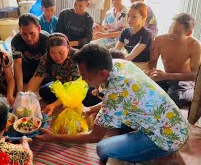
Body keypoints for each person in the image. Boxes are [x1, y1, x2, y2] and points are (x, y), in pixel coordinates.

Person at [36, 44, 189, 163]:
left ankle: (153, 154)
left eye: (84, 75)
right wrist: (90, 110)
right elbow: (117, 98)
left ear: (102, 73)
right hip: (175, 123)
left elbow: (94, 136)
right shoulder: (119, 63)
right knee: (113, 117)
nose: (82, 80)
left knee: (103, 149)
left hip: (167, 138)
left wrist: (54, 138)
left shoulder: (115, 95)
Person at [27, 33, 102, 115]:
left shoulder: (77, 58)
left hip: (79, 87)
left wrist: (54, 105)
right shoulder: (46, 58)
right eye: (53, 53)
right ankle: (64, 101)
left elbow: (73, 88)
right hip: (63, 85)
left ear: (68, 48)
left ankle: (65, 102)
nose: (57, 57)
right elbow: (37, 78)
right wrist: (27, 95)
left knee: (87, 100)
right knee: (43, 91)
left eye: (61, 52)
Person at [147, 13, 201, 107]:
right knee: (147, 94)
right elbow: (152, 63)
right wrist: (152, 73)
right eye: (170, 29)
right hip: (165, 78)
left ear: (188, 33)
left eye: (176, 32)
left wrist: (167, 75)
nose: (171, 34)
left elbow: (195, 74)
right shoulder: (159, 40)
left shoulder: (194, 46)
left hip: (184, 83)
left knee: (175, 100)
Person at [11, 13, 49, 92]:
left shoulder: (47, 40)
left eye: (32, 33)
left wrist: (35, 82)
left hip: (44, 68)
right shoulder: (16, 41)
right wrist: (20, 91)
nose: (28, 38)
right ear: (19, 30)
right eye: (24, 34)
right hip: (27, 67)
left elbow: (47, 65)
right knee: (15, 82)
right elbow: (17, 64)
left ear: (39, 29)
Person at [115, 2, 153, 71]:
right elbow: (116, 50)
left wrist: (116, 62)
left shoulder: (147, 34)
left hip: (141, 65)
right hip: (129, 61)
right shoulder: (125, 31)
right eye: (128, 16)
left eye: (134, 16)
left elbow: (132, 55)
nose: (129, 19)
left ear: (143, 17)